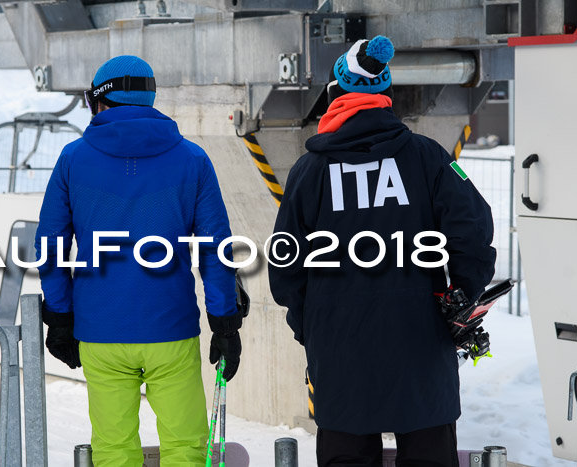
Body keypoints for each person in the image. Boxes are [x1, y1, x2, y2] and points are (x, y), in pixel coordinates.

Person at [268, 36, 496, 467]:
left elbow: (285, 266)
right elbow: (474, 230)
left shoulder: (309, 172)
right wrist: (460, 297)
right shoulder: (429, 158)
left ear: (336, 93)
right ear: (385, 96)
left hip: (339, 350)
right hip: (421, 344)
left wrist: (311, 326)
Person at [34, 55, 243, 467]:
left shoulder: (73, 160)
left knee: (113, 450)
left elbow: (51, 246)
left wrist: (60, 317)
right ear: (149, 98)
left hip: (100, 333)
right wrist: (225, 322)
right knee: (186, 448)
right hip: (171, 329)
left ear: (99, 101)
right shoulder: (193, 159)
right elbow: (216, 250)